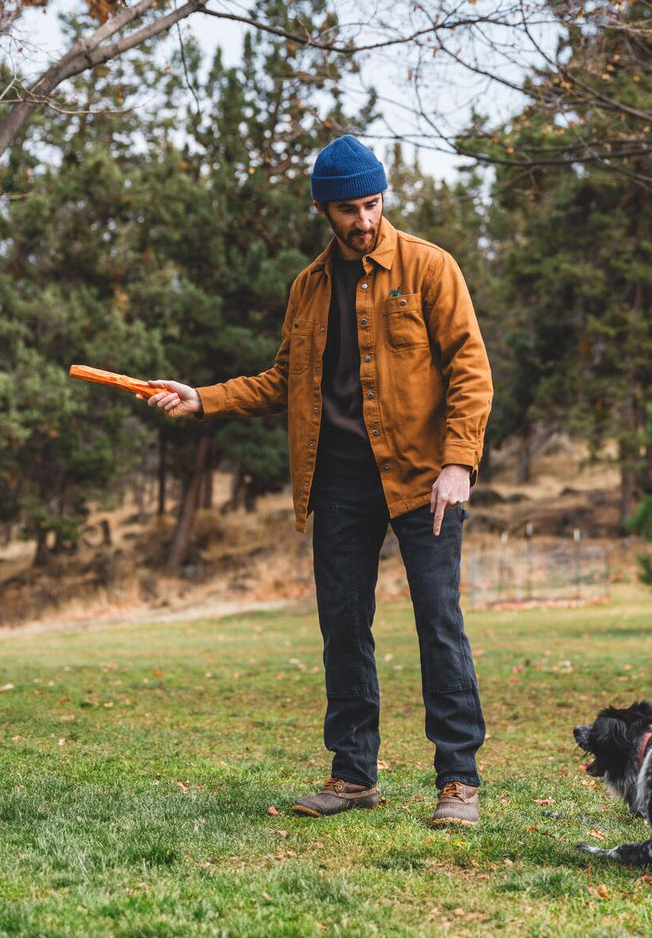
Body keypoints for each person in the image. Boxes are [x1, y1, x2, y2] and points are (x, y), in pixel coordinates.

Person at [143, 135, 493, 827]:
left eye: (371, 203)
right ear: (322, 210)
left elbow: (470, 368)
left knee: (439, 622)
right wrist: (203, 397)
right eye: (347, 209)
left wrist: (458, 462)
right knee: (342, 626)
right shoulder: (307, 288)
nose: (363, 219)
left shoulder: (428, 268)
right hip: (336, 480)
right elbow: (283, 379)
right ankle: (354, 772)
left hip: (425, 478)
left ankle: (457, 779)